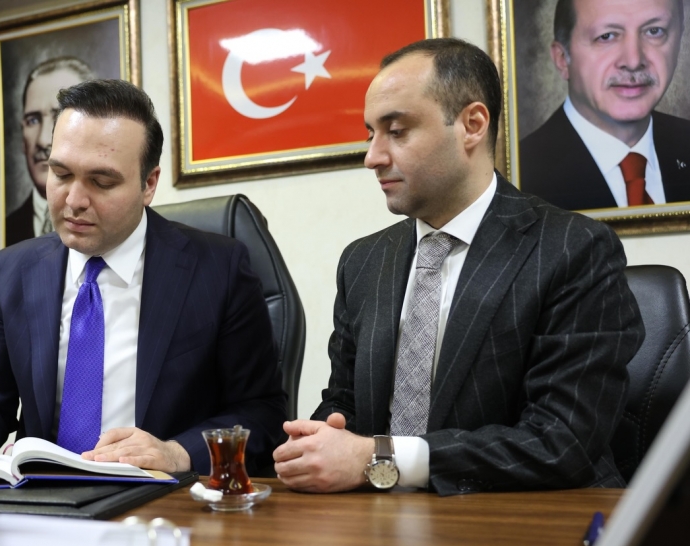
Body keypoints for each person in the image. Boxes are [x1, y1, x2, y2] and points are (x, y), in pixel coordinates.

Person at [273, 38, 644, 495]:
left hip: (526, 517)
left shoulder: (574, 249)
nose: (372, 157)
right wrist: (316, 443)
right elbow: (346, 403)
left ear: (472, 125)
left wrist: (380, 457)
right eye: (371, 134)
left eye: (397, 131)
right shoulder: (363, 261)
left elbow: (562, 440)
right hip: (379, 517)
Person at [0, 79, 286, 472]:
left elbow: (263, 414)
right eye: (60, 174)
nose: (74, 201)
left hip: (162, 497)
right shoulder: (11, 272)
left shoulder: (218, 270)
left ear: (148, 184)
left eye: (101, 182)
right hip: (42, 496)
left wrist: (177, 452)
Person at [520, 0, 690, 211]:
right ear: (562, 59)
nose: (633, 61)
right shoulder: (518, 178)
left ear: (679, 41)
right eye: (606, 36)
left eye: (654, 31)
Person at [6, 57, 95, 246]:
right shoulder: (7, 231)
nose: (43, 140)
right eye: (32, 120)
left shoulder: (117, 221)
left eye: (58, 117)